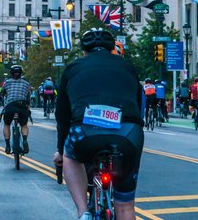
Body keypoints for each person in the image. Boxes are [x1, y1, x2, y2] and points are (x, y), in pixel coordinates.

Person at [53, 28, 143, 220]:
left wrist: (61, 150)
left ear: (84, 51)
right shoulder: (127, 66)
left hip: (85, 132)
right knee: (126, 206)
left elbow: (62, 116)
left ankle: (83, 212)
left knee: (70, 155)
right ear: (112, 49)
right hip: (128, 133)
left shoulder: (73, 68)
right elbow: (138, 105)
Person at [0, 65, 33, 154]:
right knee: (24, 125)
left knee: (7, 124)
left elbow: (2, 93)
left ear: (11, 73)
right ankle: (25, 140)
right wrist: (28, 109)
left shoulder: (7, 83)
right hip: (22, 106)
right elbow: (28, 98)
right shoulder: (26, 84)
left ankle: (7, 145)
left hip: (10, 106)